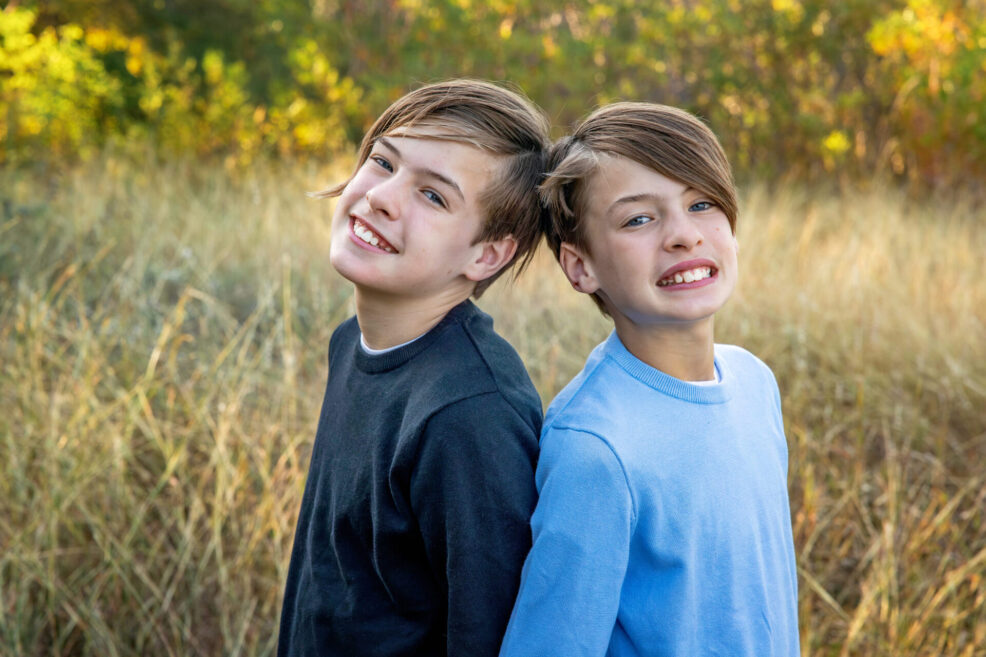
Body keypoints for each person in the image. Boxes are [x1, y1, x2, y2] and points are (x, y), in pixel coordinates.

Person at [499, 103, 800, 657]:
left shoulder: (756, 384)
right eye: (639, 219)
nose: (684, 235)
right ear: (580, 265)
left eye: (702, 203)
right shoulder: (595, 448)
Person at [277, 79, 550, 657]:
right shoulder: (352, 342)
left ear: (486, 253)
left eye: (434, 196)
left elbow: (485, 634)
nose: (381, 197)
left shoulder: (469, 415)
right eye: (383, 162)